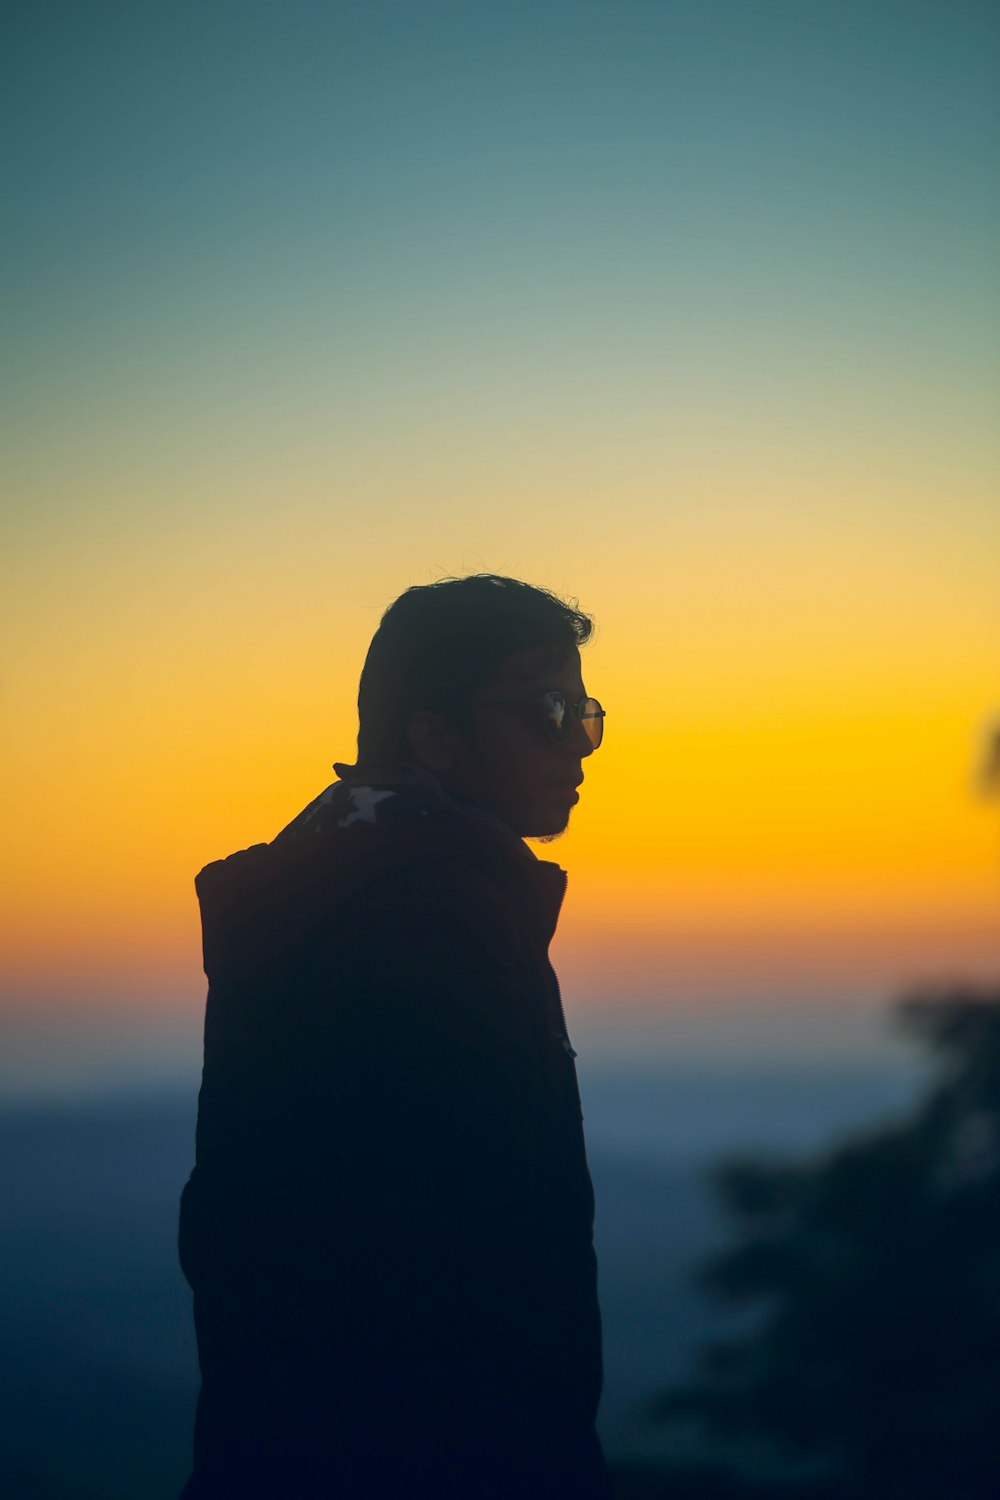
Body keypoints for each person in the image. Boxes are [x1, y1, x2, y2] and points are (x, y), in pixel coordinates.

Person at [178, 574, 611, 1499]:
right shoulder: (423, 919)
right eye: (548, 710)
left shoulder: (344, 888)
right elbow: (465, 1265)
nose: (578, 742)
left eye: (586, 712)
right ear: (433, 736)